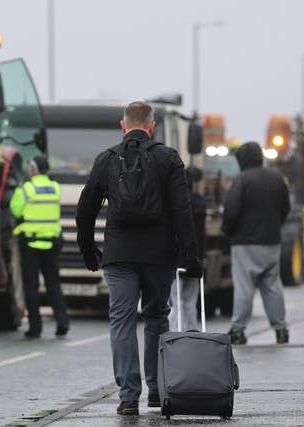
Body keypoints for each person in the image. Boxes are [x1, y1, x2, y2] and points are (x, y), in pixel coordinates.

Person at [76, 101, 201, 416]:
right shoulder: (168, 158)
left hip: (118, 254)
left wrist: (88, 249)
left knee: (121, 320)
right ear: (152, 126)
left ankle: (129, 396)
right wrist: (191, 255)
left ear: (122, 126)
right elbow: (182, 210)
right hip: (159, 254)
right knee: (157, 317)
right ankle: (158, 390)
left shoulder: (106, 159)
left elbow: (86, 207)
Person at [221, 141, 290, 345]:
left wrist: (228, 231)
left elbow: (231, 210)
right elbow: (286, 207)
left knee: (244, 286)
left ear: (242, 160)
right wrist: (275, 226)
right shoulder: (277, 178)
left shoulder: (242, 180)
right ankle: (281, 329)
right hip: (272, 241)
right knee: (273, 286)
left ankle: (238, 330)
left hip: (245, 243)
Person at [10, 155, 70, 339]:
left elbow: (15, 210)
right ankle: (62, 323)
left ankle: (35, 328)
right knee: (53, 284)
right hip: (52, 243)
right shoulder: (55, 188)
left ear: (33, 170)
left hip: (31, 244)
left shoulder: (26, 190)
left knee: (31, 286)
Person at [168, 167, 206, 332]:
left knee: (175, 303)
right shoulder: (200, 204)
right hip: (194, 260)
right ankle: (192, 333)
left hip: (175, 260)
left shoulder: (172, 204)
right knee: (190, 302)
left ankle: (176, 336)